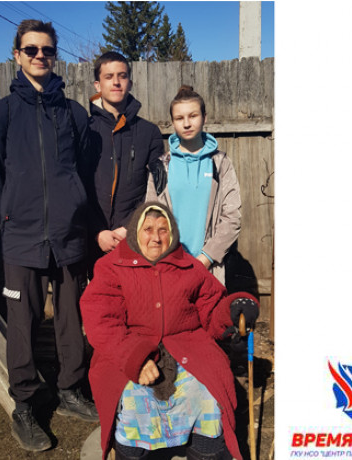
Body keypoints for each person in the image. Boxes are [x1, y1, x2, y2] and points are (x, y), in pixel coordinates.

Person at [0, 19, 98, 452]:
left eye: (47, 50)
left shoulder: (73, 113)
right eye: (31, 49)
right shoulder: (1, 114)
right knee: (23, 324)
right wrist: (8, 214)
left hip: (68, 235)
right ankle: (25, 405)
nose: (40, 56)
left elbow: (82, 171)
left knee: (70, 317)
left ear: (55, 56)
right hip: (21, 237)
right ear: (17, 54)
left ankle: (70, 389)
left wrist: (75, 209)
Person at [80, 202, 259, 460]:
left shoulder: (188, 266)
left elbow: (211, 309)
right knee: (133, 400)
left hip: (189, 347)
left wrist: (233, 308)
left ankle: (204, 451)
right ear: (135, 232)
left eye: (163, 230)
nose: (156, 237)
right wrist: (133, 356)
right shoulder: (111, 267)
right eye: (148, 229)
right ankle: (132, 453)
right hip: (128, 348)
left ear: (172, 233)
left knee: (209, 392)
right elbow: (102, 320)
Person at [146, 85, 241, 284]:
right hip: (169, 267)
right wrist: (169, 258)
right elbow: (151, 218)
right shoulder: (161, 167)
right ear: (172, 122)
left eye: (193, 116)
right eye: (179, 118)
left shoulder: (220, 163)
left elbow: (232, 217)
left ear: (204, 117)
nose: (187, 123)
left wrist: (205, 259)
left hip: (209, 268)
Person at [86, 51, 165, 274]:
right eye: (109, 76)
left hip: (134, 239)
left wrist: (128, 228)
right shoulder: (84, 130)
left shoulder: (149, 133)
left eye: (122, 76)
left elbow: (157, 188)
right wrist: (97, 232)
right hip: (90, 242)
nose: (116, 82)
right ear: (97, 85)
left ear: (130, 83)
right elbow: (76, 186)